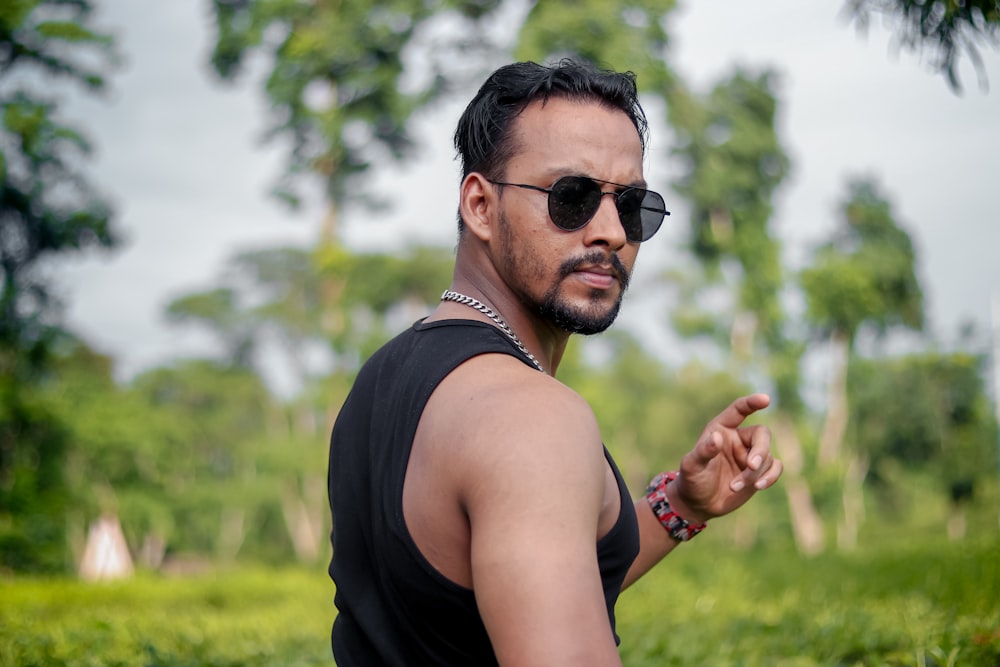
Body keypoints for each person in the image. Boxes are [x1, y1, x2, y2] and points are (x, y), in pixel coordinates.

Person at [326, 59, 783, 666]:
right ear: (481, 207)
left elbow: (503, 589)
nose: (610, 232)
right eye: (572, 196)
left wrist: (682, 506)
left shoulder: (387, 377)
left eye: (632, 205)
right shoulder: (531, 416)